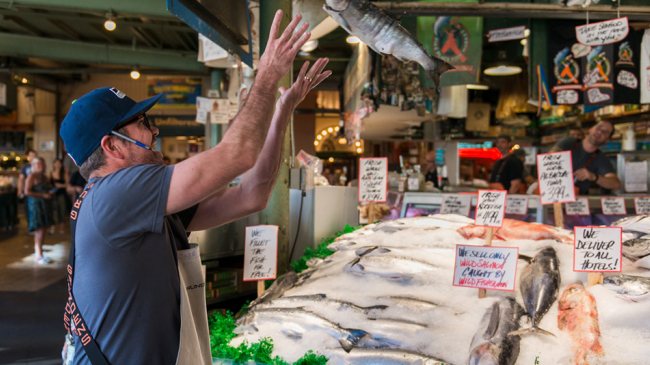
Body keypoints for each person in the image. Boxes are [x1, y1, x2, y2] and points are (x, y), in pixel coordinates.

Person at [59, 10, 330, 365]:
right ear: (112, 146)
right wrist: (268, 75)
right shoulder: (116, 194)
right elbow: (238, 154)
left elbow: (252, 195)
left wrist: (281, 112)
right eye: (143, 123)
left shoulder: (139, 203)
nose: (155, 132)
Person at [550, 120, 621, 194]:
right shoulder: (570, 141)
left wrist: (593, 177)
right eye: (598, 128)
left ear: (607, 140)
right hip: (552, 193)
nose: (599, 132)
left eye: (605, 132)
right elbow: (552, 154)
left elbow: (616, 184)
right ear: (590, 129)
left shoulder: (601, 159)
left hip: (576, 202)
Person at [24, 157, 54, 264]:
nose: (40, 165)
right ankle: (38, 255)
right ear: (34, 165)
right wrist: (43, 195)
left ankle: (40, 252)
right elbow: (27, 192)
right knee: (39, 230)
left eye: (42, 163)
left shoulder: (45, 177)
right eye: (38, 164)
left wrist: (49, 193)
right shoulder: (32, 176)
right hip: (36, 205)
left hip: (45, 205)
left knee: (44, 229)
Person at [18, 149, 37, 227]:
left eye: (34, 155)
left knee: (35, 208)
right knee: (28, 208)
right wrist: (19, 190)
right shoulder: (24, 166)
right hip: (27, 191)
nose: (32, 157)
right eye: (31, 155)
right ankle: (30, 225)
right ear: (28, 156)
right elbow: (21, 179)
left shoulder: (38, 165)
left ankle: (35, 225)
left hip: (36, 191)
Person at [50, 158, 69, 234]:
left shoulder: (64, 174)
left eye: (59, 163)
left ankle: (62, 228)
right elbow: (49, 184)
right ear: (54, 164)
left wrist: (60, 185)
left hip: (61, 194)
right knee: (53, 211)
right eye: (56, 163)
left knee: (62, 210)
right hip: (53, 195)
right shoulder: (51, 174)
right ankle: (52, 228)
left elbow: (67, 184)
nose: (58, 165)